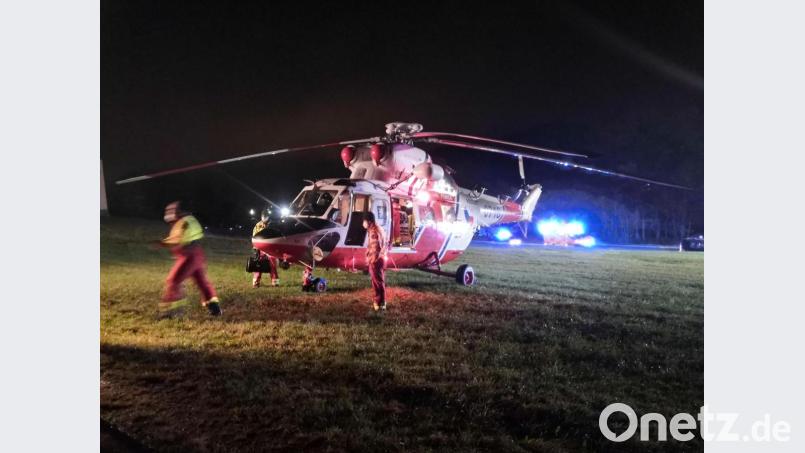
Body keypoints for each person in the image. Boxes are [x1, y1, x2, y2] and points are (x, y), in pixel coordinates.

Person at [159, 201, 221, 317]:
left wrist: (162, 243)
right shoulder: (188, 220)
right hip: (196, 254)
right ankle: (214, 307)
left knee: (173, 281)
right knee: (202, 282)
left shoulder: (184, 222)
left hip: (189, 256)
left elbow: (177, 239)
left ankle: (173, 311)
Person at [363, 211, 387, 311]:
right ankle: (381, 302)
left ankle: (379, 302)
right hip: (380, 258)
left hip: (376, 260)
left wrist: (371, 260)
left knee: (377, 282)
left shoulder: (373, 232)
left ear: (368, 221)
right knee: (379, 281)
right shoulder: (378, 228)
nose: (363, 223)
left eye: (364, 221)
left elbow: (376, 246)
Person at [252, 210, 279, 287]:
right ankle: (255, 283)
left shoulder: (273, 225)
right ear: (261, 216)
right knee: (258, 265)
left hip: (271, 249)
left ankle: (275, 283)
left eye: (266, 216)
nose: (264, 218)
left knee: (273, 266)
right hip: (261, 249)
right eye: (263, 216)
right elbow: (255, 237)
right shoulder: (258, 225)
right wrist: (255, 249)